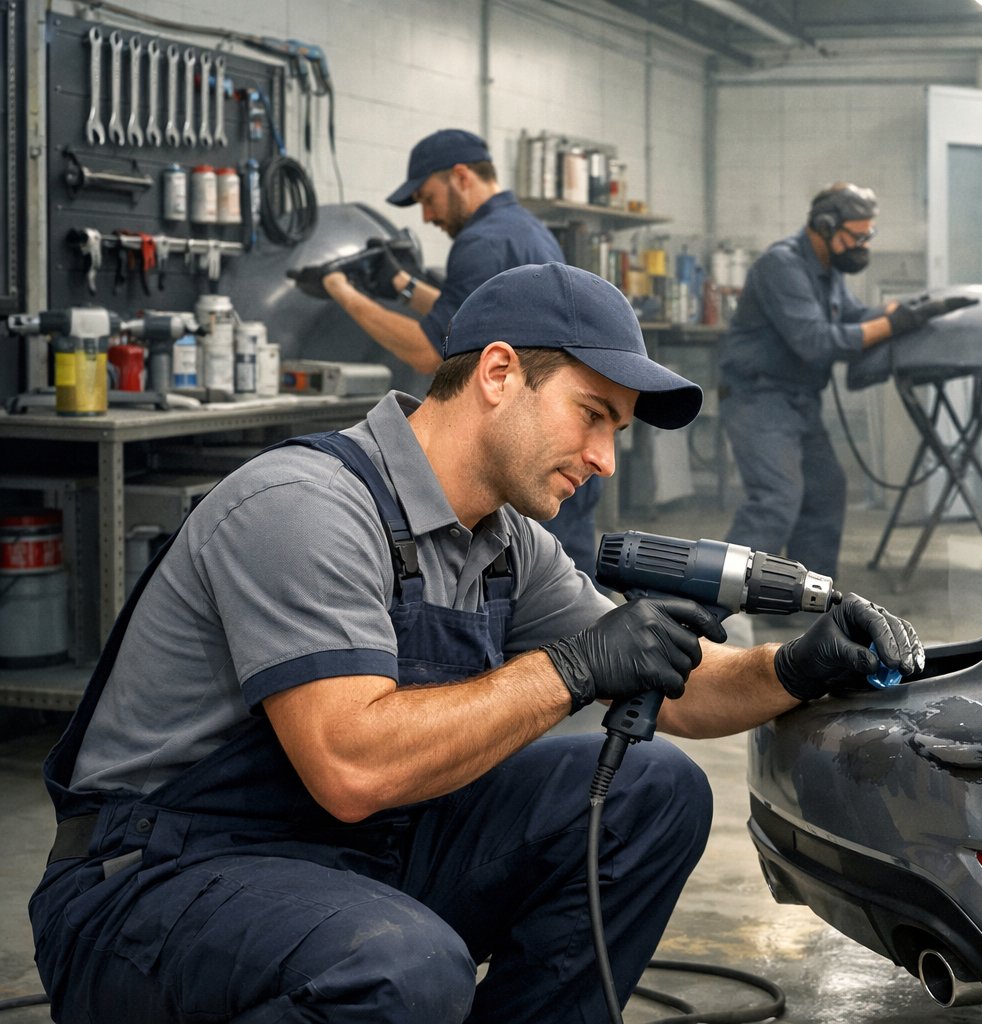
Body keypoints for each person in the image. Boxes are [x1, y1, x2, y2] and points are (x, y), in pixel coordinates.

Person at [30, 263, 924, 1024]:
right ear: (498, 373)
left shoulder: (503, 543)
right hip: (152, 885)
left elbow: (681, 689)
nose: (607, 457)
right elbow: (352, 765)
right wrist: (571, 669)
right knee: (400, 964)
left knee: (651, 792)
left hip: (343, 858)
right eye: (593, 414)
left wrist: (797, 667)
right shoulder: (305, 507)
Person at [298, 128, 603, 579]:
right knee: (565, 586)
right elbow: (471, 317)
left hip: (536, 447)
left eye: (428, 197)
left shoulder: (479, 242)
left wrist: (342, 291)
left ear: (461, 177)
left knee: (557, 609)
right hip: (555, 443)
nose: (426, 215)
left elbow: (428, 351)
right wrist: (401, 287)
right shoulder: (524, 230)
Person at [718, 182, 973, 578]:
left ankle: (798, 602)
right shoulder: (781, 266)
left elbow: (855, 316)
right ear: (824, 226)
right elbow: (815, 341)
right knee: (776, 500)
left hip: (800, 400)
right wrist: (890, 324)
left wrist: (911, 311)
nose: (863, 245)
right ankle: (714, 611)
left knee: (825, 493)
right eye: (857, 236)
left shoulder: (827, 271)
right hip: (759, 399)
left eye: (868, 235)